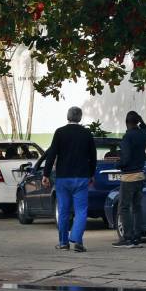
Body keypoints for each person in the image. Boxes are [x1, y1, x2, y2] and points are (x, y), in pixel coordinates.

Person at [42, 106, 97, 252]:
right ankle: (77, 241)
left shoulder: (60, 132)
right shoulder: (86, 134)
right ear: (80, 118)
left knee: (64, 210)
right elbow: (93, 156)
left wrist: (45, 174)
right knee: (81, 210)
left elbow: (52, 154)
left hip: (63, 178)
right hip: (81, 178)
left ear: (68, 116)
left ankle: (63, 243)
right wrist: (91, 174)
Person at [112, 111, 146, 248]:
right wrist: (142, 122)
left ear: (126, 123)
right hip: (140, 176)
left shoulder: (127, 137)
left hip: (128, 177)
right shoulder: (143, 135)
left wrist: (118, 164)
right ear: (137, 122)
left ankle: (127, 237)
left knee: (124, 207)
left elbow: (126, 158)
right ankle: (137, 237)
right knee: (137, 207)